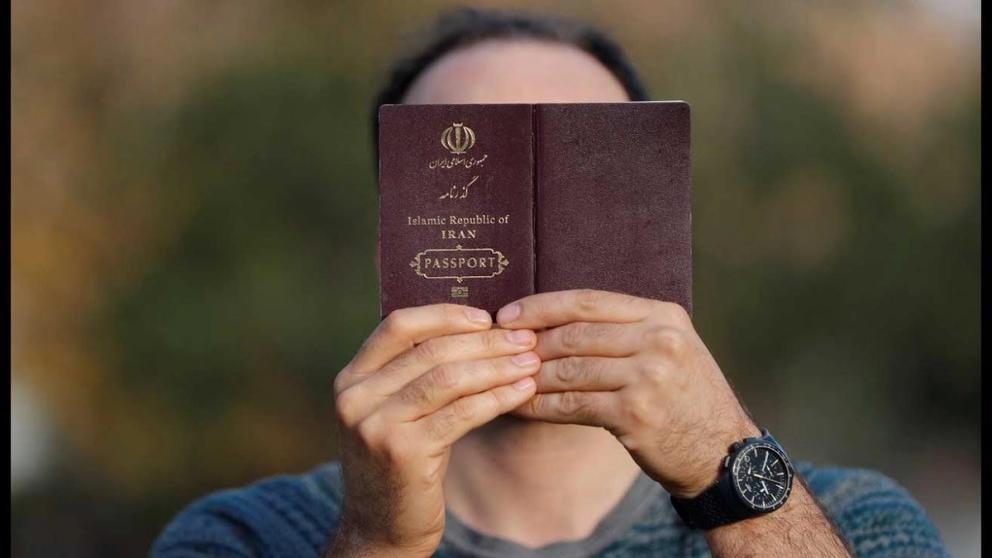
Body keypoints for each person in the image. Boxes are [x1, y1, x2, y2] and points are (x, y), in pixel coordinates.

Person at [151, 8, 949, 558]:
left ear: (659, 223)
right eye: (465, 173)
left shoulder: (852, 521)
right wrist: (376, 541)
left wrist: (724, 469)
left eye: (582, 168)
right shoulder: (244, 535)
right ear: (387, 247)